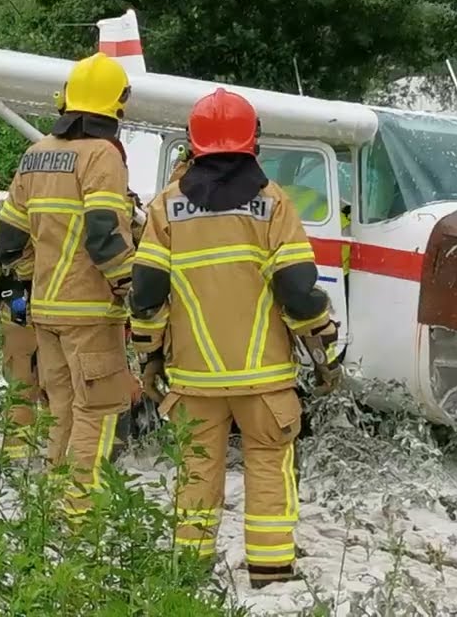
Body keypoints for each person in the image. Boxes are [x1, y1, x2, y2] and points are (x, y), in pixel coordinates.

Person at [127, 88, 341, 589]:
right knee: (268, 468)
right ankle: (270, 572)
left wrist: (149, 358)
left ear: (192, 145)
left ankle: (190, 571)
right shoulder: (274, 204)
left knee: (197, 473)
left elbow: (147, 295)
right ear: (254, 142)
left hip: (193, 379)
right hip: (264, 379)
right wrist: (324, 353)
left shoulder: (165, 207)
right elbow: (298, 292)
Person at [0, 51, 137, 520]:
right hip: (90, 311)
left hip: (46, 311)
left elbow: (9, 238)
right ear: (117, 105)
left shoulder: (35, 154)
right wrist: (130, 287)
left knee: (61, 408)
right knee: (97, 411)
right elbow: (104, 235)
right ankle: (80, 517)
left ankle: (52, 509)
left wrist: (35, 274)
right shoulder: (103, 155)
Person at [0, 211, 45, 459]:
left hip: (19, 306)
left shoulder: (17, 216)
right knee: (54, 384)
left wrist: (2, 286)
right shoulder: (71, 214)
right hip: (58, 310)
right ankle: (48, 451)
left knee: (23, 383)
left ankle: (19, 453)